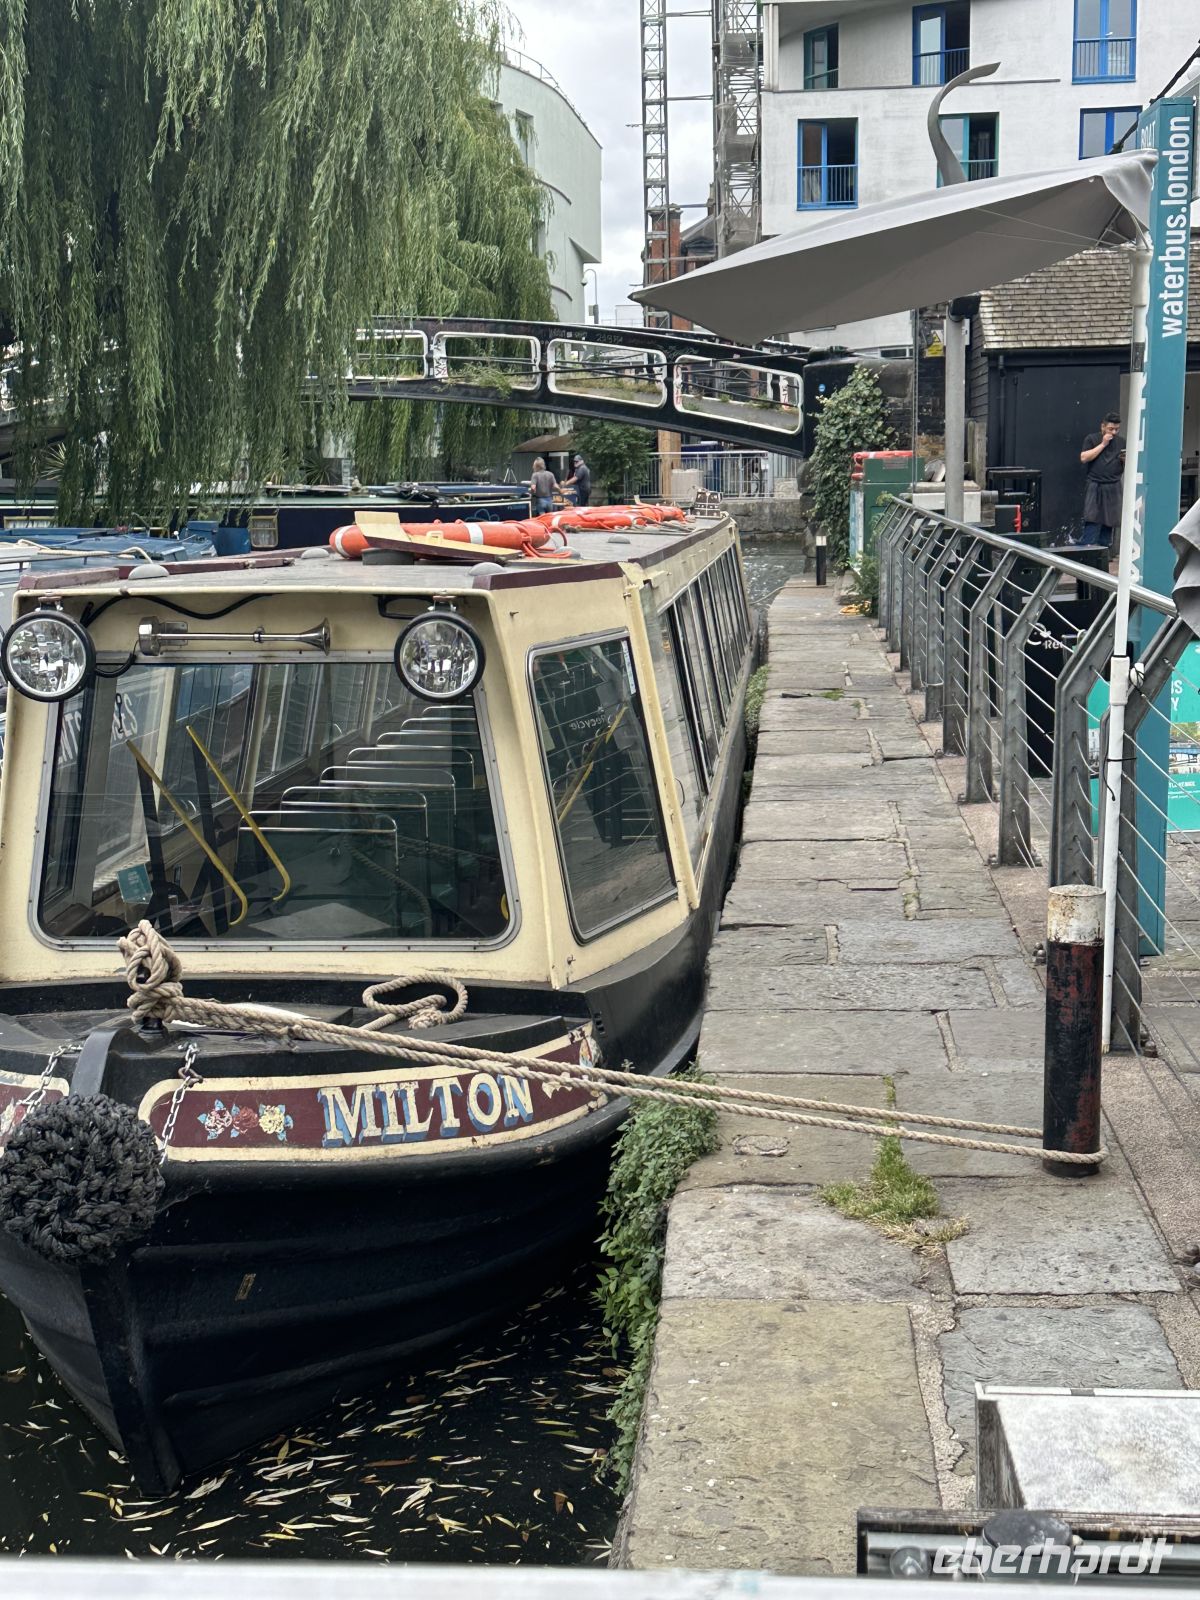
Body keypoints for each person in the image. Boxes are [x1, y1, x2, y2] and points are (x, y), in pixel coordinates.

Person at [1076, 411, 1125, 548]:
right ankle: (1086, 549)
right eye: (1110, 429)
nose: (1113, 432)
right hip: (1095, 483)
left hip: (1113, 484)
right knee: (1091, 517)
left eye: (1116, 429)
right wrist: (1103, 444)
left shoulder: (1121, 442)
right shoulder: (1092, 439)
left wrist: (1125, 460)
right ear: (1102, 427)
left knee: (1110, 520)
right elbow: (1084, 458)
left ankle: (1105, 552)